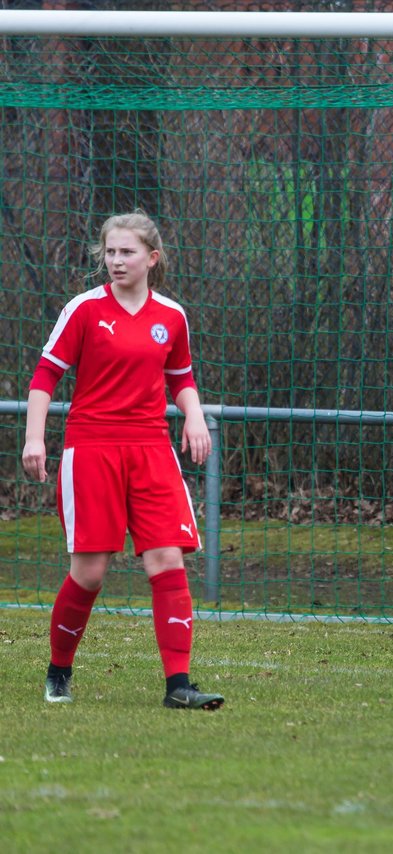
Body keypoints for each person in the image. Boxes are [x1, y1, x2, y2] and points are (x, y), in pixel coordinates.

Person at [22, 211, 224, 710]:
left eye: (126, 252)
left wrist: (194, 417)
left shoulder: (172, 316)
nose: (116, 261)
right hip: (91, 449)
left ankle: (178, 685)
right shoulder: (85, 310)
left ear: (151, 259)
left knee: (167, 559)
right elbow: (45, 376)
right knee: (90, 573)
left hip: (152, 448)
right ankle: (59, 671)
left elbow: (181, 378)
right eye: (109, 252)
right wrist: (35, 440)